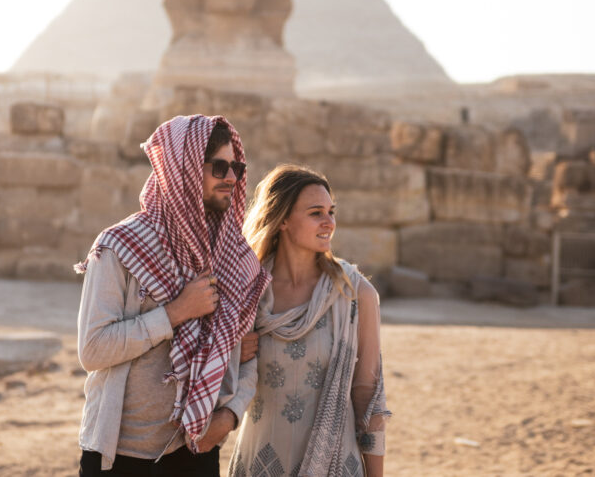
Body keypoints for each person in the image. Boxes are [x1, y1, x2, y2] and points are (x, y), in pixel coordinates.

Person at [74, 115, 271, 476]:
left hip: (195, 450)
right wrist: (174, 313)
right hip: (118, 456)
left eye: (237, 167)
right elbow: (93, 349)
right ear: (183, 170)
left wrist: (228, 417)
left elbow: (250, 353)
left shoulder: (232, 256)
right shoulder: (120, 247)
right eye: (219, 167)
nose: (232, 178)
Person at [228, 164, 390, 477]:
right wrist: (233, 355)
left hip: (335, 465)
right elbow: (217, 383)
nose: (329, 222)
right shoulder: (248, 292)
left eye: (332, 211)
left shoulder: (355, 295)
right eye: (316, 212)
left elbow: (368, 397)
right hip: (259, 464)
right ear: (284, 220)